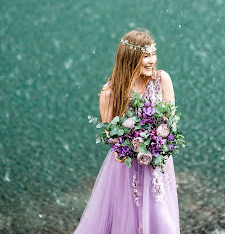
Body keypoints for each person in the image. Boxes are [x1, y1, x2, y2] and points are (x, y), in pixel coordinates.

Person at [74, 29, 180, 233]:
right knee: (127, 220)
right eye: (145, 56)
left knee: (160, 217)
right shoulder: (111, 92)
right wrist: (130, 145)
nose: (152, 60)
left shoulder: (162, 80)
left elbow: (172, 122)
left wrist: (159, 144)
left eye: (153, 54)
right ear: (131, 58)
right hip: (127, 168)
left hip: (158, 164)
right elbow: (110, 135)